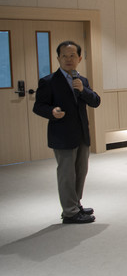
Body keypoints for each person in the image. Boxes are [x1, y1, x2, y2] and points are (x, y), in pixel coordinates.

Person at [33, 40, 101, 224]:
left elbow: (95, 101)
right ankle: (70, 213)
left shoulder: (82, 81)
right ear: (58, 58)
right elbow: (38, 106)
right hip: (62, 135)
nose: (68, 59)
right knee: (67, 175)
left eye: (72, 56)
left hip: (82, 134)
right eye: (64, 56)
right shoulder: (48, 81)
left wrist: (83, 90)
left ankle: (75, 204)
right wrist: (52, 112)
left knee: (81, 172)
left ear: (79, 58)